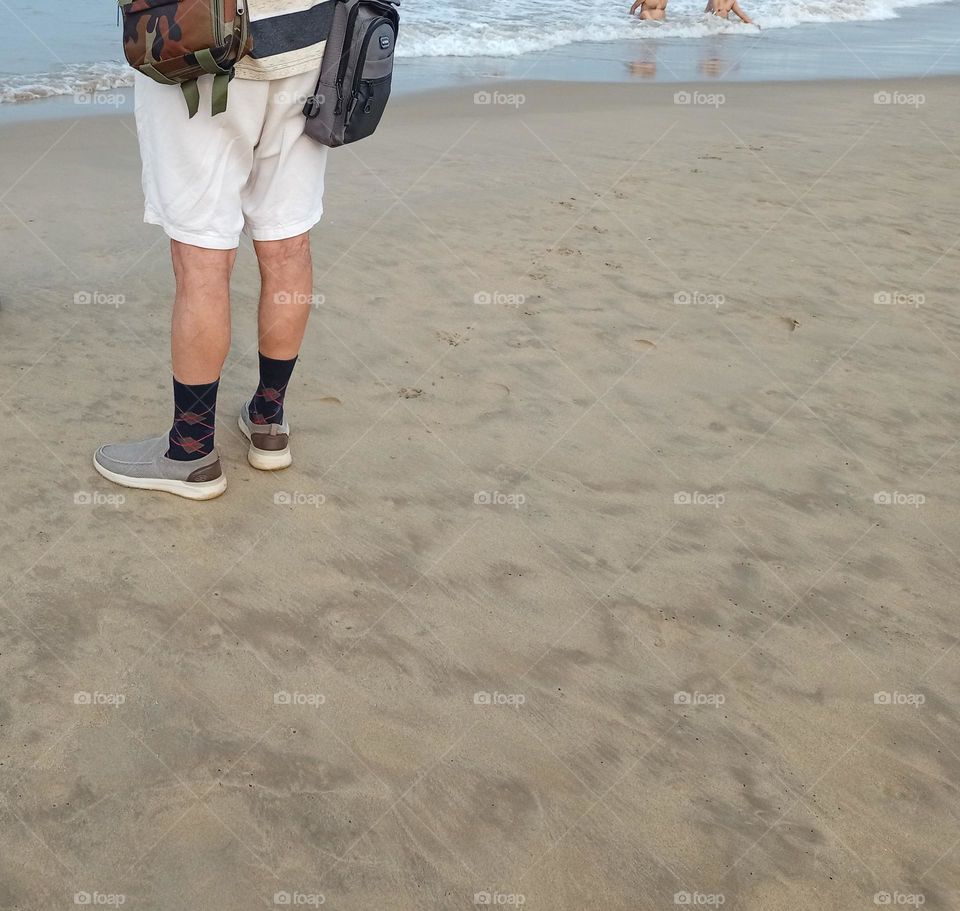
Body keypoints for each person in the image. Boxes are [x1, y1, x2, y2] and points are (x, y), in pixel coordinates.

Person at [94, 0, 333, 500]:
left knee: (202, 255)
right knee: (287, 242)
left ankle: (191, 449)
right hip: (309, 42)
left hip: (199, 40)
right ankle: (269, 422)